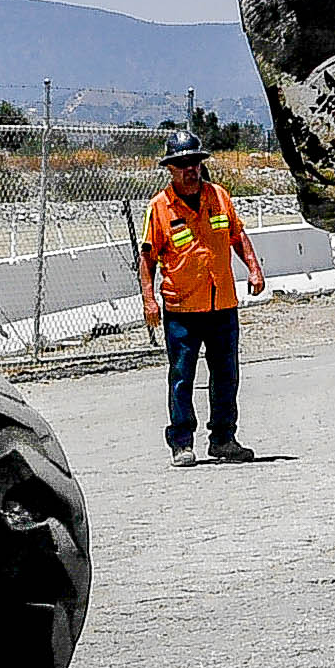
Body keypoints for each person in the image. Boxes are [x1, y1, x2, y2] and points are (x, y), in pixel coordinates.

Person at [135, 134, 267, 464]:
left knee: (226, 375)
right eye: (181, 164)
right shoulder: (159, 207)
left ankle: (224, 439)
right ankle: (182, 442)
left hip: (222, 304)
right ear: (170, 169)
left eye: (194, 162)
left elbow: (237, 235)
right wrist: (149, 300)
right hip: (182, 308)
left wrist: (254, 269)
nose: (189, 169)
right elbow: (147, 258)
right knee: (182, 376)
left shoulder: (219, 196)